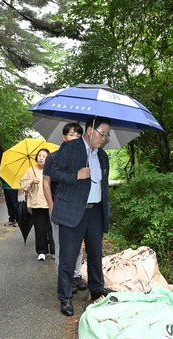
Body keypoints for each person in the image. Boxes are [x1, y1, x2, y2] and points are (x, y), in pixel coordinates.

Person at [49, 117, 112, 316]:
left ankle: (97, 290)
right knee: (68, 257)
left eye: (107, 135)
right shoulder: (69, 148)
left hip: (95, 211)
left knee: (95, 254)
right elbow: (56, 174)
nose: (104, 139)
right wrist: (77, 175)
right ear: (90, 130)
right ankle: (65, 297)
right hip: (73, 212)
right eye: (102, 134)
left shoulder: (102, 156)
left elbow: (103, 186)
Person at [43, 122, 87, 293]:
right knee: (61, 246)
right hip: (59, 207)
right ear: (63, 137)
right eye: (70, 134)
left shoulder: (83, 158)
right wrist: (51, 205)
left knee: (78, 246)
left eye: (78, 135)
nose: (74, 138)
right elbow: (46, 183)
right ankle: (64, 281)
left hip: (77, 209)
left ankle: (76, 275)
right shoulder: (53, 157)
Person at [20, 148, 54, 261]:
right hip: (36, 204)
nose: (41, 158)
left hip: (50, 203)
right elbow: (23, 185)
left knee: (52, 228)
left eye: (44, 156)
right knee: (40, 229)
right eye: (40, 155)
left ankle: (54, 251)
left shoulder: (51, 169)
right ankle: (41, 251)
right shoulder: (30, 170)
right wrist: (31, 181)